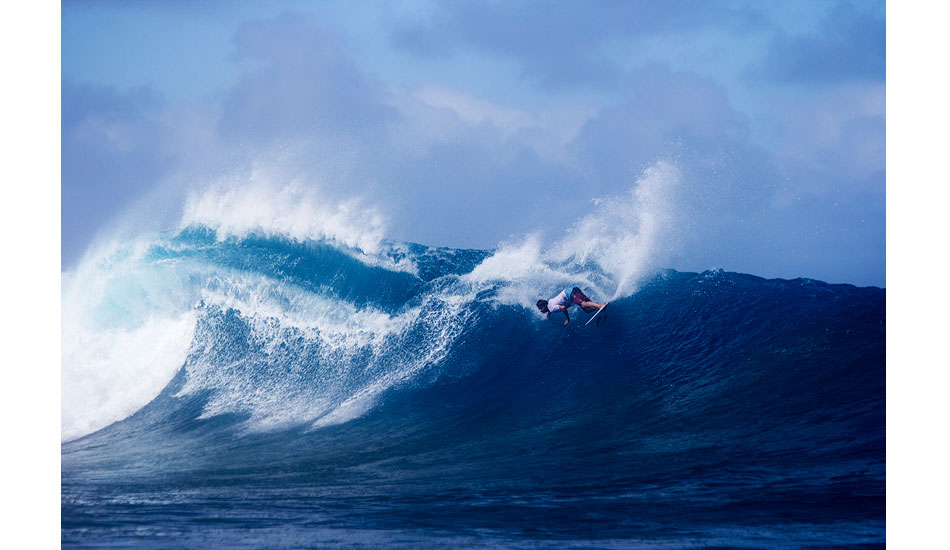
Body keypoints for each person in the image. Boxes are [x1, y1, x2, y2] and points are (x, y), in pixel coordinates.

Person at [536, 287, 605, 325]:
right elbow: (552, 308)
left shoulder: (551, 308)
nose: (540, 310)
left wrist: (568, 319)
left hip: (570, 294)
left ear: (545, 305)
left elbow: (562, 308)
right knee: (587, 309)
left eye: (541, 308)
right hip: (572, 290)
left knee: (583, 304)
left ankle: (600, 306)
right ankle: (599, 307)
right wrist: (548, 314)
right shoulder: (550, 302)